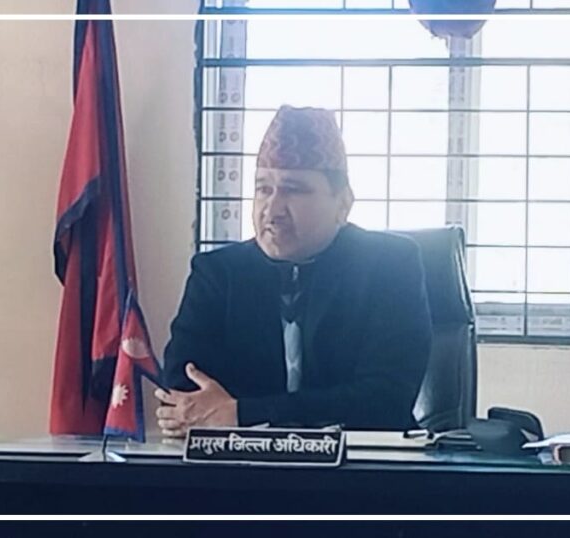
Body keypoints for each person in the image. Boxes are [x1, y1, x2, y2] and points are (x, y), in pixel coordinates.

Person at [156, 105, 432, 436]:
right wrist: (213, 414)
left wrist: (244, 413)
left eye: (294, 190)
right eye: (263, 189)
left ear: (343, 204)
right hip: (240, 462)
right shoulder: (218, 273)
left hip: (362, 463)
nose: (272, 210)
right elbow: (184, 394)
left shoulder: (389, 266)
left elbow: (385, 401)